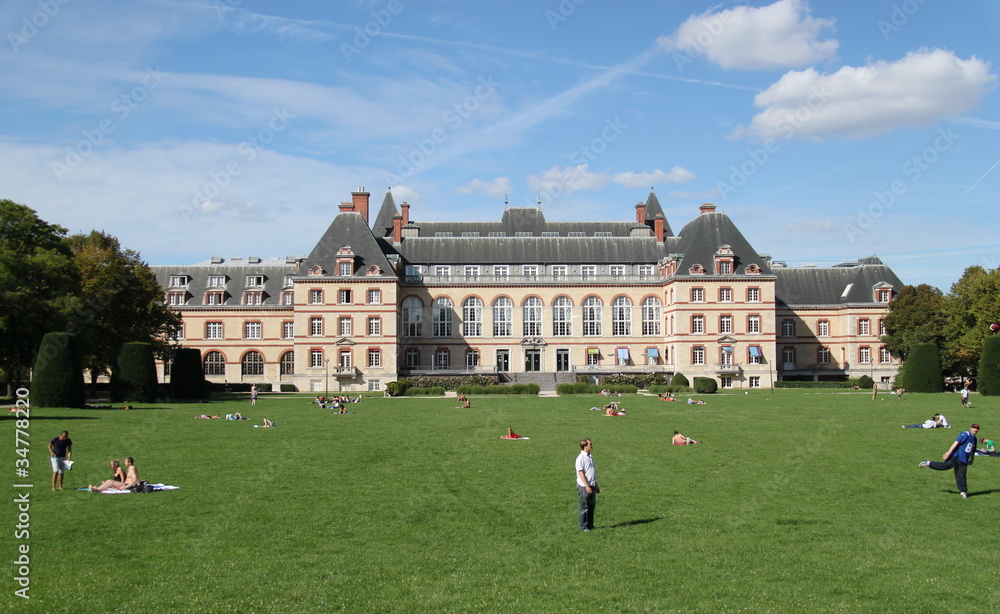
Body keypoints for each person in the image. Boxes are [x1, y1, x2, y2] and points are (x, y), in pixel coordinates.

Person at [919, 424, 979, 498]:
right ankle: (928, 463)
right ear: (971, 428)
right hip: (956, 456)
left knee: (961, 475)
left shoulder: (974, 439)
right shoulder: (965, 434)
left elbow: (972, 451)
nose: (975, 430)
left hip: (964, 460)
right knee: (944, 466)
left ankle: (963, 492)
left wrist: (972, 459)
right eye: (974, 428)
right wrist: (949, 452)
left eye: (977, 429)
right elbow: (956, 443)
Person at [575, 439, 599, 532]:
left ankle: (590, 525)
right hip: (584, 486)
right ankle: (583, 527)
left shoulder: (590, 457)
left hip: (591, 485)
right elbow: (581, 473)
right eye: (590, 444)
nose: (592, 446)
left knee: (591, 506)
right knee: (584, 507)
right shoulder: (581, 458)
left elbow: (591, 472)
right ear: (585, 446)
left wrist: (595, 484)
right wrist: (587, 486)